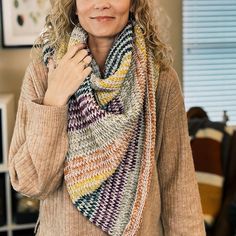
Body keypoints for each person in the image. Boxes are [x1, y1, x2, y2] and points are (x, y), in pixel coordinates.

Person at [8, 0, 205, 235]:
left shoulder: (161, 80)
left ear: (133, 3)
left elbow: (178, 187)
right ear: (74, 4)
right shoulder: (44, 72)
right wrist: (54, 100)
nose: (101, 4)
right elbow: (30, 183)